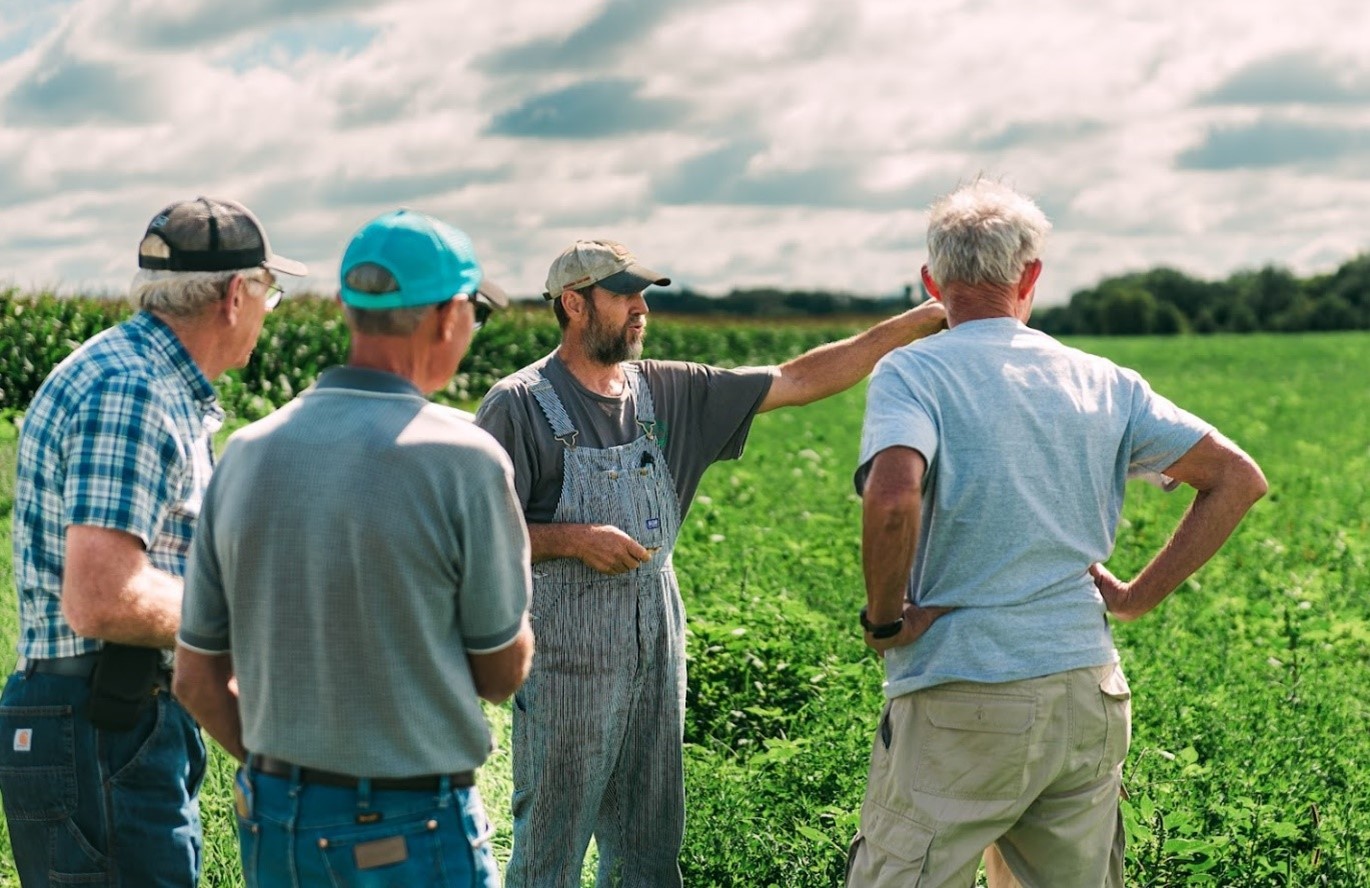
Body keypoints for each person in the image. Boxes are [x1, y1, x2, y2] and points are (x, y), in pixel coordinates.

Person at [473, 238, 948, 887]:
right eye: (625, 295)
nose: (642, 309)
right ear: (574, 304)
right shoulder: (518, 404)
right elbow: (477, 533)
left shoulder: (667, 391)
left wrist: (924, 318)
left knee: (650, 833)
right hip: (565, 653)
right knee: (553, 836)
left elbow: (798, 379)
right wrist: (571, 538)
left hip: (657, 638)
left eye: (645, 295)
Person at [846, 179, 1268, 887]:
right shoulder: (1104, 381)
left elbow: (892, 501)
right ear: (1030, 275)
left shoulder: (913, 372)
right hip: (1086, 687)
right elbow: (1236, 477)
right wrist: (1134, 597)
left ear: (931, 281)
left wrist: (884, 622)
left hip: (962, 687)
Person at [173, 208, 534, 887]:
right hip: (415, 827)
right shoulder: (464, 459)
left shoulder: (247, 452)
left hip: (276, 819)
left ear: (348, 309)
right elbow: (499, 672)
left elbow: (195, 678)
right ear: (447, 315)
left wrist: (297, 784)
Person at [0, 197, 304, 886]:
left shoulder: (157, 383)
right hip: (102, 725)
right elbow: (105, 597)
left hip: (117, 722)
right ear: (234, 296)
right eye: (271, 295)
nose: (267, 314)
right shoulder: (132, 390)